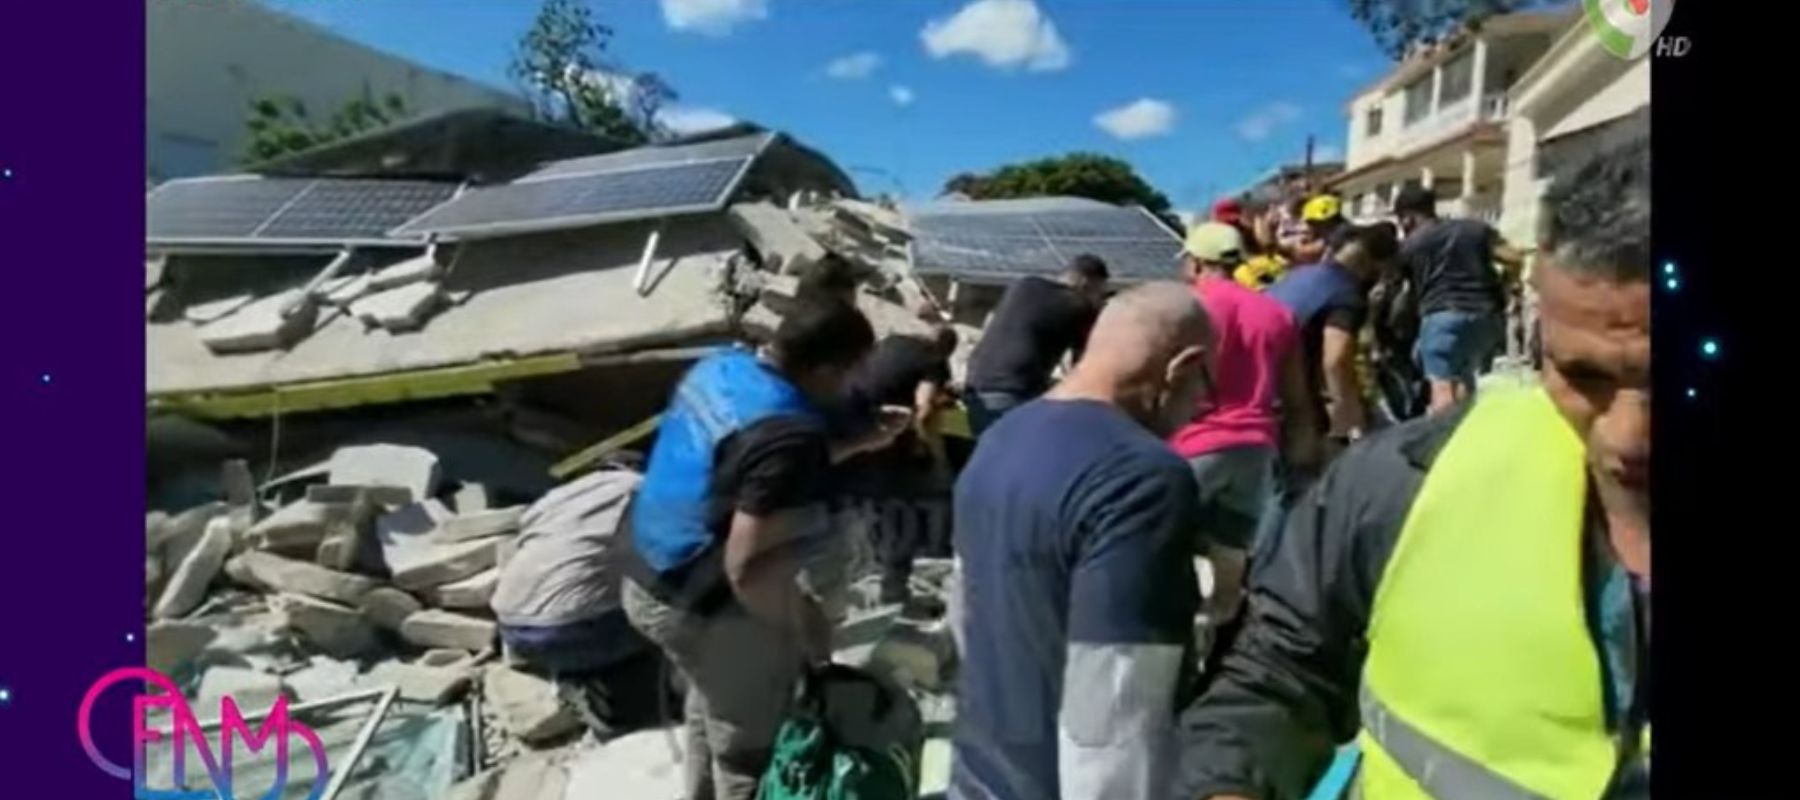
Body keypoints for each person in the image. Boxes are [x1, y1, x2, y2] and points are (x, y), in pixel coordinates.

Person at [1185, 141, 1650, 800]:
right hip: (1261, 446)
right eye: (1581, 374)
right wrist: (1342, 428)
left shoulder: (1269, 291)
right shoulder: (1405, 474)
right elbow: (1283, 667)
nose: (1627, 439)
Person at [620, 298, 908, 800]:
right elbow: (749, 569)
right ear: (826, 369)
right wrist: (802, 618)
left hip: (643, 573)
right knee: (751, 752)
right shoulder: (790, 436)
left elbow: (752, 468)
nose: (853, 387)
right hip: (703, 601)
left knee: (710, 705)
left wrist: (861, 442)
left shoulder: (720, 368)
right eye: (852, 373)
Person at [951, 282, 1213, 800]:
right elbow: (1115, 709)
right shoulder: (1143, 477)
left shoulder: (1001, 437)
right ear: (1181, 367)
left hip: (977, 774)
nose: (1201, 406)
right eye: (1207, 386)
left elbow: (964, 612)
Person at [1169, 222, 1320, 629]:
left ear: (1198, 263)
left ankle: (1174, 632)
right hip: (1256, 443)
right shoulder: (1277, 313)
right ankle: (1220, 625)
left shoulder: (1190, 309)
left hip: (1196, 441)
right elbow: (1295, 392)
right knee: (1231, 542)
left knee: (1164, 538)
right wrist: (1303, 445)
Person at [492, 468, 666, 738]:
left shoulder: (560, 496)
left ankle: (574, 669)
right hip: (567, 634)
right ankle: (613, 702)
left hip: (509, 625)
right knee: (671, 612)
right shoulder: (639, 493)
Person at [838, 325, 961, 606]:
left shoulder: (887, 343)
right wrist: (931, 451)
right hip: (892, 443)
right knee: (907, 511)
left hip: (857, 434)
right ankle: (895, 594)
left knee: (872, 514)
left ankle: (864, 586)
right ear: (946, 348)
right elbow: (926, 408)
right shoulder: (932, 358)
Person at [1393, 185, 1525, 414]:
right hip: (1486, 317)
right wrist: (1507, 286)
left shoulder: (1409, 247)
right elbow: (1513, 258)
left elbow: (1403, 292)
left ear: (1407, 217)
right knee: (1464, 378)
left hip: (1441, 315)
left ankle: (1443, 441)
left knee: (1441, 385)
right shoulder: (1474, 229)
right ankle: (1466, 432)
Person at [1266, 223, 1398, 452]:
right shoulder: (1347, 295)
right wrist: (1352, 422)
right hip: (1284, 389)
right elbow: (1336, 361)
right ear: (1375, 266)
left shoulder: (1300, 274)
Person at [962, 254, 1110, 435]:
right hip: (1012, 394)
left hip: (975, 387)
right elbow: (1084, 366)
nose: (1098, 298)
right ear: (1085, 282)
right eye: (1099, 292)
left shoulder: (1024, 285)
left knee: (994, 456)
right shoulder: (1080, 305)